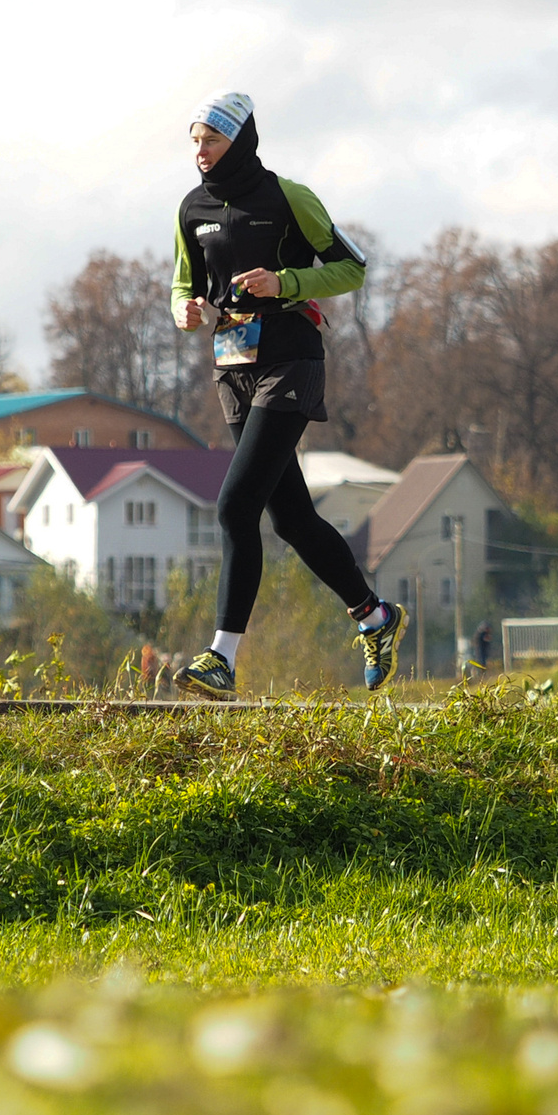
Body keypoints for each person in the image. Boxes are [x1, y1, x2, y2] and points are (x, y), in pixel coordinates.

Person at [167, 92, 403, 700]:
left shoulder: (288, 196)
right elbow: (183, 285)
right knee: (291, 518)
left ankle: (221, 658)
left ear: (240, 141)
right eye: (194, 141)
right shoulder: (191, 209)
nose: (200, 153)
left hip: (291, 359)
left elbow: (352, 268)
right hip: (232, 367)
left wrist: (286, 281)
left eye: (211, 141)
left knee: (234, 508)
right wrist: (185, 311)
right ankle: (374, 616)